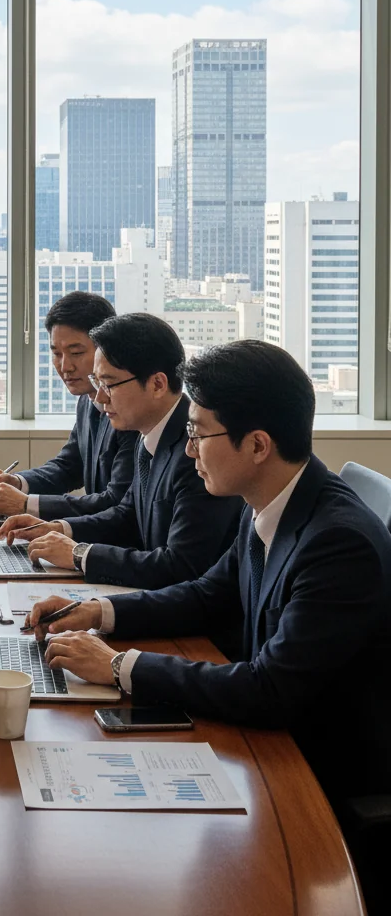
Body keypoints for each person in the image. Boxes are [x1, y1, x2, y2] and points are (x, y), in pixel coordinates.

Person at [24, 339, 391, 819]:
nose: (189, 450)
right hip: (264, 739)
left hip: (313, 773)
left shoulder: (338, 544)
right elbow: (208, 594)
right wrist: (100, 613)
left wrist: (118, 666)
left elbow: (270, 691)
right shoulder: (270, 499)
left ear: (258, 444)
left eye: (199, 435)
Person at [0, 313, 241, 589]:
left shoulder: (198, 451)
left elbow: (181, 565)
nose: (99, 398)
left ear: (157, 384)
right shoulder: (149, 433)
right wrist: (59, 529)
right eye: (98, 383)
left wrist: (80, 555)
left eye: (109, 385)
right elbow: (127, 514)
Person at [0, 292, 137, 518]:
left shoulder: (129, 411)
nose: (65, 366)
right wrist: (18, 482)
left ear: (106, 349)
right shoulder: (87, 398)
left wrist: (26, 504)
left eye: (76, 353)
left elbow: (116, 501)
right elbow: (69, 466)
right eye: (56, 353)